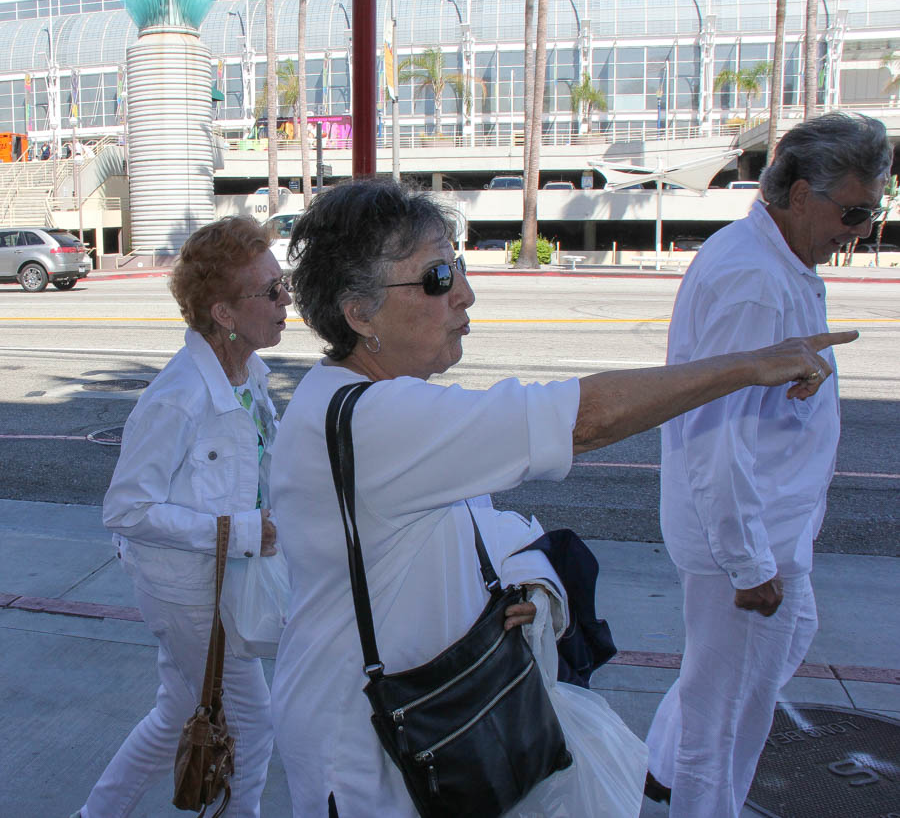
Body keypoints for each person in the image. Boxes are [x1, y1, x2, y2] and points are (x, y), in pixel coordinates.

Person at [267, 178, 855, 818]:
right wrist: (749, 365)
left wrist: (521, 590)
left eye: (459, 265)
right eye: (437, 277)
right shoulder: (377, 420)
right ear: (360, 313)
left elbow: (454, 529)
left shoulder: (372, 407)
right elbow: (583, 417)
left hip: (425, 719)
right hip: (368, 748)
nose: (465, 292)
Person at [644, 112, 892, 818]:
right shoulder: (756, 281)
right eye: (854, 210)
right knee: (723, 723)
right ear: (798, 194)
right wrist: (748, 564)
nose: (864, 227)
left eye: (873, 210)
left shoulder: (778, 261)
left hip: (770, 532)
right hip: (748, 543)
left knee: (752, 669)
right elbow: (713, 435)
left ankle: (662, 762)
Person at [73, 216, 292, 818]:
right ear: (223, 313)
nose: (285, 300)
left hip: (224, 578)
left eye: (283, 283)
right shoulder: (179, 395)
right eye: (269, 291)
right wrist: (242, 532)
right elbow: (126, 508)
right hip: (186, 587)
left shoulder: (249, 375)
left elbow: (258, 469)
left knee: (177, 712)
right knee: (252, 721)